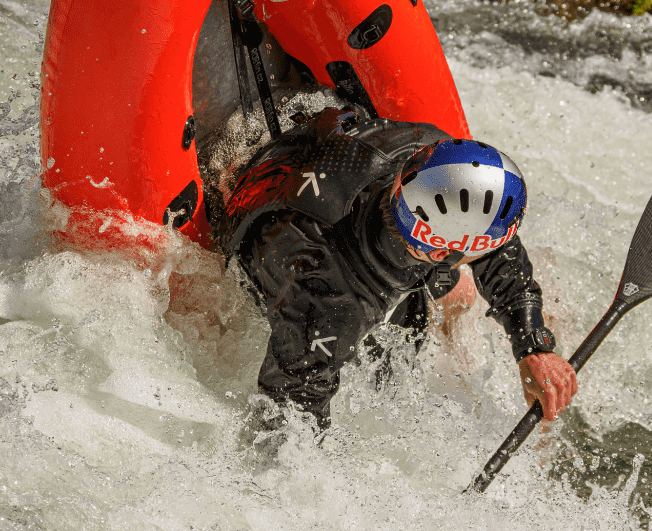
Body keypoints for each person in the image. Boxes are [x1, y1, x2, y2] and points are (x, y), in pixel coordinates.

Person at [220, 103, 578, 430]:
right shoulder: (332, 300)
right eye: (483, 247)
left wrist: (532, 345)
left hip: (335, 203)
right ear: (440, 253)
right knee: (456, 301)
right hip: (289, 258)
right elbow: (288, 418)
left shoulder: (425, 153)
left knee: (461, 295)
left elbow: (497, 249)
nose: (498, 248)